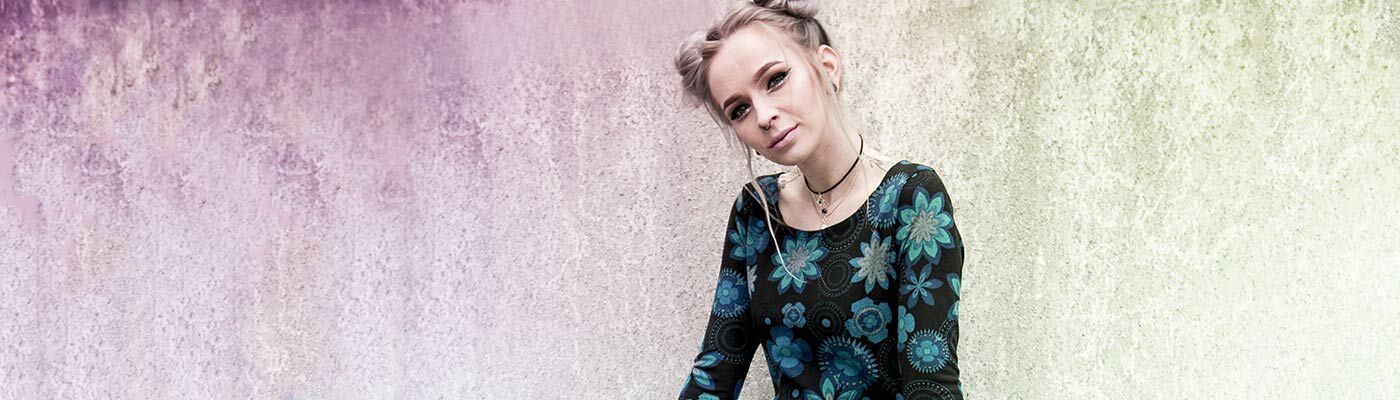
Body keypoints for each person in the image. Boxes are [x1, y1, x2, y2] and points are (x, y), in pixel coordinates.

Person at [672, 1, 966, 399]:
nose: (763, 115)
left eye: (775, 79)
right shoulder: (756, 212)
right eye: (740, 109)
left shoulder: (911, 196)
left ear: (826, 66)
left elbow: (930, 381)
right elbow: (716, 369)